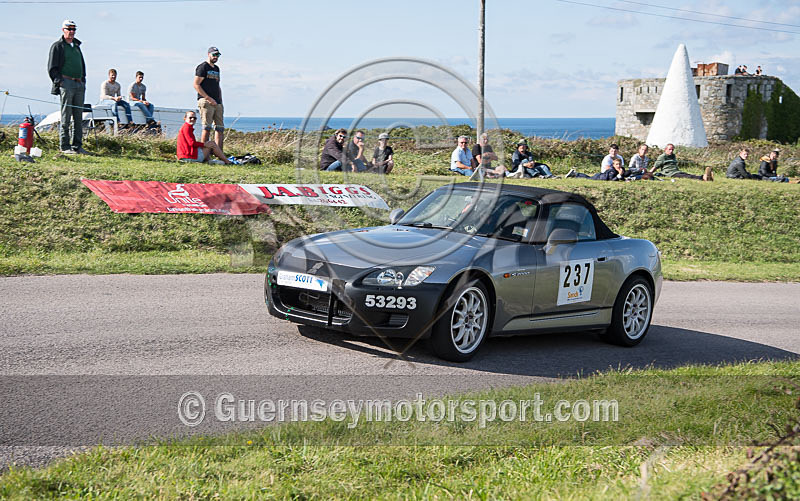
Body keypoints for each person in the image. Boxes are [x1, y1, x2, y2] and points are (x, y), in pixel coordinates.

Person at [47, 19, 88, 155]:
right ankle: (64, 146)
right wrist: (60, 82)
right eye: (69, 29)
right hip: (66, 82)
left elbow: (81, 64)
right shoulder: (58, 46)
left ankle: (77, 146)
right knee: (66, 116)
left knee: (78, 117)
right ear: (63, 30)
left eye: (73, 29)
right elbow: (52, 68)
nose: (71, 32)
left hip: (78, 84)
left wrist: (82, 81)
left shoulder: (76, 46)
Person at [194, 46, 225, 152]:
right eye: (214, 55)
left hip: (217, 102)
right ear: (209, 54)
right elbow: (196, 84)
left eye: (218, 55)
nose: (216, 57)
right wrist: (208, 98)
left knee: (220, 128)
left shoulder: (216, 69)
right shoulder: (203, 67)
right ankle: (203, 152)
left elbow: (217, 85)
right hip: (206, 101)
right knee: (207, 127)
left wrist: (220, 101)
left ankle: (219, 152)